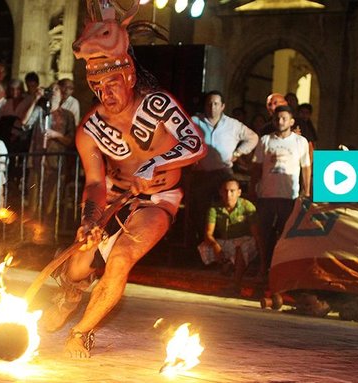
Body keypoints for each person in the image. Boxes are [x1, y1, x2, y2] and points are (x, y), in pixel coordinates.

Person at [40, 2, 206, 358]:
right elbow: (96, 183)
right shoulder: (91, 129)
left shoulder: (158, 105)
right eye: (96, 86)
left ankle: (82, 332)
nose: (105, 94)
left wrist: (155, 163)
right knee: (80, 260)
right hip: (115, 197)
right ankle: (70, 291)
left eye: (111, 83)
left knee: (120, 258)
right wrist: (90, 220)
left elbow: (194, 144)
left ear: (129, 76)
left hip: (158, 201)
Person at [190, 90, 258, 243]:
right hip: (201, 174)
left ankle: (224, 247)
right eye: (209, 104)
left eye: (216, 104)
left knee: (224, 210)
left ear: (222, 106)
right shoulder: (194, 121)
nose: (212, 107)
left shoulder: (233, 125)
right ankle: (203, 247)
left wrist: (239, 152)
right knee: (201, 211)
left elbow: (253, 137)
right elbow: (176, 137)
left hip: (223, 174)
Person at [250, 105, 311, 276]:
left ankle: (282, 269)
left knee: (285, 234)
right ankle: (264, 266)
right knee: (265, 233)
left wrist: (306, 192)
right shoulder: (265, 140)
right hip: (267, 195)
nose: (280, 121)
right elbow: (256, 167)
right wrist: (252, 188)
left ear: (292, 121)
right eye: (277, 118)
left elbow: (306, 167)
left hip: (289, 196)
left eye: (284, 118)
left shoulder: (301, 142)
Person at [22, 82, 75, 227]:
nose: (53, 92)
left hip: (55, 164)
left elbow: (71, 140)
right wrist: (35, 99)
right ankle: (31, 236)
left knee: (50, 203)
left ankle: (48, 235)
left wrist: (55, 134)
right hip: (38, 162)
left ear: (62, 94)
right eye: (51, 89)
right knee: (33, 200)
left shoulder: (67, 116)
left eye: (56, 89)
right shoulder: (40, 111)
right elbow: (25, 123)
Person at [198, 177, 263, 291]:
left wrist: (263, 264)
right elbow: (208, 234)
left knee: (241, 247)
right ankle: (226, 264)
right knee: (205, 246)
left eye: (232, 191)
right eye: (225, 191)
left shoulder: (247, 206)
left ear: (239, 192)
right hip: (227, 241)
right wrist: (215, 246)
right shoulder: (214, 208)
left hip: (245, 241)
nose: (229, 194)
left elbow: (256, 235)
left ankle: (236, 283)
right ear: (220, 192)